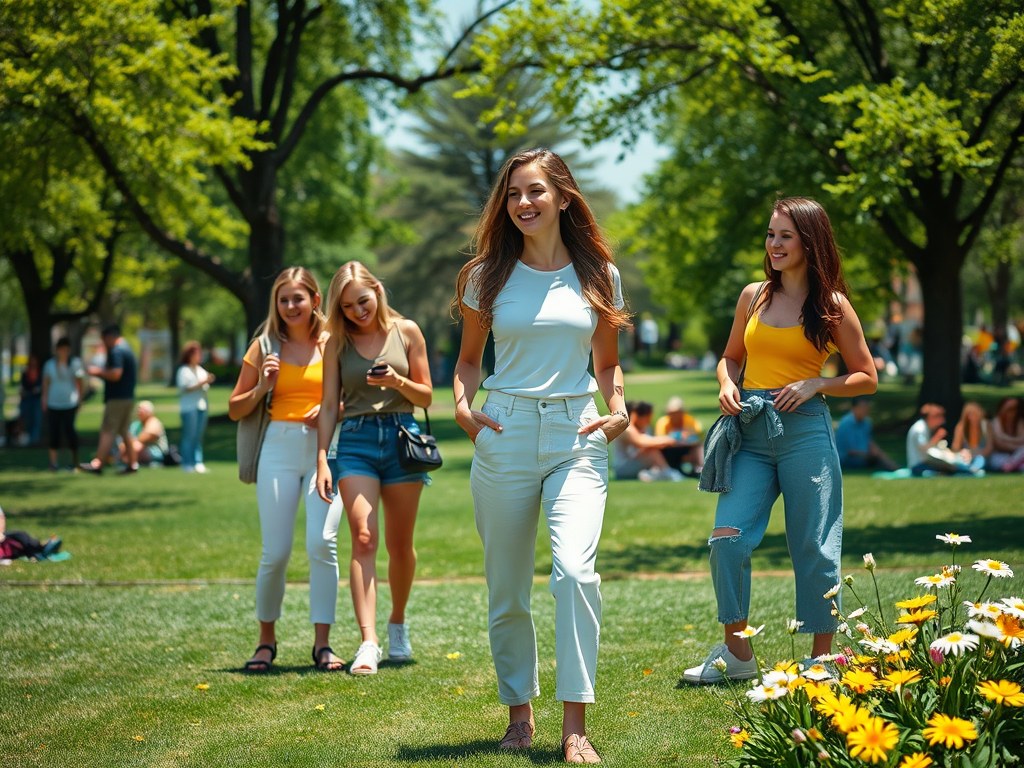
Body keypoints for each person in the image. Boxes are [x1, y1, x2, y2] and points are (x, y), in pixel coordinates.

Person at [452, 148, 631, 763]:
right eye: (512, 194)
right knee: (507, 587)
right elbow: (471, 359)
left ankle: (574, 723)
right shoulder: (486, 276)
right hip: (504, 430)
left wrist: (620, 406)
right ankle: (518, 714)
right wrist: (460, 403)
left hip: (577, 435)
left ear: (562, 197)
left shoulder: (599, 274)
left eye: (534, 192)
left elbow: (606, 363)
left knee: (576, 573)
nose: (522, 204)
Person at [685, 197, 877, 685]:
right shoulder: (753, 296)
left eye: (785, 236)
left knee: (813, 544)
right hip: (749, 432)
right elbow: (730, 357)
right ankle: (738, 653)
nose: (773, 245)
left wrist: (817, 384)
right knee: (726, 539)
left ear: (810, 241)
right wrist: (728, 385)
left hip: (805, 431)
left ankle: (821, 659)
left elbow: (866, 376)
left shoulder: (832, 306)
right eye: (770, 235)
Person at [315, 261, 434, 675]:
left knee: (400, 546)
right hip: (356, 442)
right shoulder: (336, 341)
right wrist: (322, 458)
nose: (356, 312)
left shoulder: (407, 332)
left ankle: (397, 622)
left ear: (378, 291)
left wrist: (397, 383)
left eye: (362, 301)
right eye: (346, 307)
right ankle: (369, 641)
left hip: (403, 439)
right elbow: (330, 404)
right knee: (363, 537)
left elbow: (426, 395)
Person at [229, 267, 344, 673]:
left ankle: (323, 645)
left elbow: (351, 397)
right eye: (283, 299)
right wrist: (261, 386)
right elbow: (234, 407)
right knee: (275, 553)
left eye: (298, 298)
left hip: (325, 450)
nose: (290, 306)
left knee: (322, 544)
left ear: (315, 300)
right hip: (277, 447)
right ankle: (265, 642)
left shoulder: (334, 341)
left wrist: (335, 410)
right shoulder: (263, 346)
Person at [80, 324, 138, 475]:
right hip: (128, 397)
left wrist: (97, 371)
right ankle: (133, 464)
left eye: (103, 340)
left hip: (117, 399)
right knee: (124, 432)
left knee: (107, 430)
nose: (103, 344)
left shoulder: (117, 351)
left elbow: (116, 374)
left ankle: (98, 463)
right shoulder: (127, 348)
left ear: (109, 337)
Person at [42, 338, 85, 471]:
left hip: (69, 402)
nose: (64, 352)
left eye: (66, 350)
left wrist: (79, 399)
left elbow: (79, 382)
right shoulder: (49, 365)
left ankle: (75, 462)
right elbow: (46, 383)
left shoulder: (74, 363)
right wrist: (44, 399)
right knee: (54, 432)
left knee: (70, 431)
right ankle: (53, 463)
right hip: (53, 402)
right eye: (62, 349)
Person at [613, 401, 684, 481]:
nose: (649, 420)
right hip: (623, 469)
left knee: (653, 452)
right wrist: (671, 439)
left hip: (635, 463)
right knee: (652, 451)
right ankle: (668, 473)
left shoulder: (645, 429)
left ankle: (654, 474)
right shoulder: (626, 429)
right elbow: (642, 442)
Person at [176, 341, 214, 474]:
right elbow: (185, 387)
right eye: (195, 353)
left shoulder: (200, 370)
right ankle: (186, 462)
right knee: (189, 436)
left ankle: (198, 461)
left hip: (201, 406)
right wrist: (202, 382)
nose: (198, 356)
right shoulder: (184, 371)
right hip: (189, 407)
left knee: (198, 436)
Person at [834, 396, 898, 471]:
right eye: (863, 408)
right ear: (855, 408)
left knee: (877, 456)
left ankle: (893, 466)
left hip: (864, 455)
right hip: (848, 458)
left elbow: (869, 442)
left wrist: (877, 452)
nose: (866, 411)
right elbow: (850, 450)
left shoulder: (866, 423)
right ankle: (892, 467)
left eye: (867, 408)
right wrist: (868, 455)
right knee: (872, 460)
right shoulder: (846, 424)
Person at [653, 395, 704, 474]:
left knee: (699, 447)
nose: (674, 415)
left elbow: (697, 437)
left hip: (687, 448)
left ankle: (701, 468)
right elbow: (659, 440)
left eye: (677, 412)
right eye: (672, 413)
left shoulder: (691, 421)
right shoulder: (663, 422)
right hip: (668, 450)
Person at [906, 403, 952, 475]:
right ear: (931, 417)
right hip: (918, 466)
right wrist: (937, 438)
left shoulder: (925, 427)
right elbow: (923, 449)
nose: (943, 421)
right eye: (940, 417)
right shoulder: (920, 428)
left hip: (922, 464)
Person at [950, 401, 992, 473]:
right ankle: (969, 470)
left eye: (974, 414)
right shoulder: (961, 427)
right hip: (966, 456)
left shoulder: (985, 426)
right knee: (959, 459)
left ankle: (972, 470)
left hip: (981, 455)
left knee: (980, 460)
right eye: (969, 415)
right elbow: (955, 448)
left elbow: (989, 447)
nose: (971, 417)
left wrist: (975, 455)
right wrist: (964, 452)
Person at [123, 401, 168, 466]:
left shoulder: (154, 423)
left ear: (149, 412)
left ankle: (128, 462)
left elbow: (143, 438)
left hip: (156, 452)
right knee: (129, 446)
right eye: (138, 409)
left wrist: (129, 442)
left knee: (137, 446)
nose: (139, 412)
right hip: (140, 449)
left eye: (142, 410)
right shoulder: (136, 425)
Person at [989, 396, 1024, 472]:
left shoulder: (1019, 423)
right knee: (994, 459)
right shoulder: (995, 423)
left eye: (1014, 409)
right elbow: (999, 444)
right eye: (1009, 409)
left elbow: (1022, 439)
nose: (1011, 412)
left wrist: (1007, 440)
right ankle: (1013, 465)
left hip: (1018, 454)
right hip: (1001, 455)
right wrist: (1017, 446)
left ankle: (1013, 465)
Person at [18, 354, 43, 446]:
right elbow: (23, 387)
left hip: (36, 399)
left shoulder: (40, 373)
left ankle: (35, 439)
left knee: (36, 418)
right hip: (27, 399)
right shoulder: (25, 374)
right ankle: (27, 437)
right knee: (27, 418)